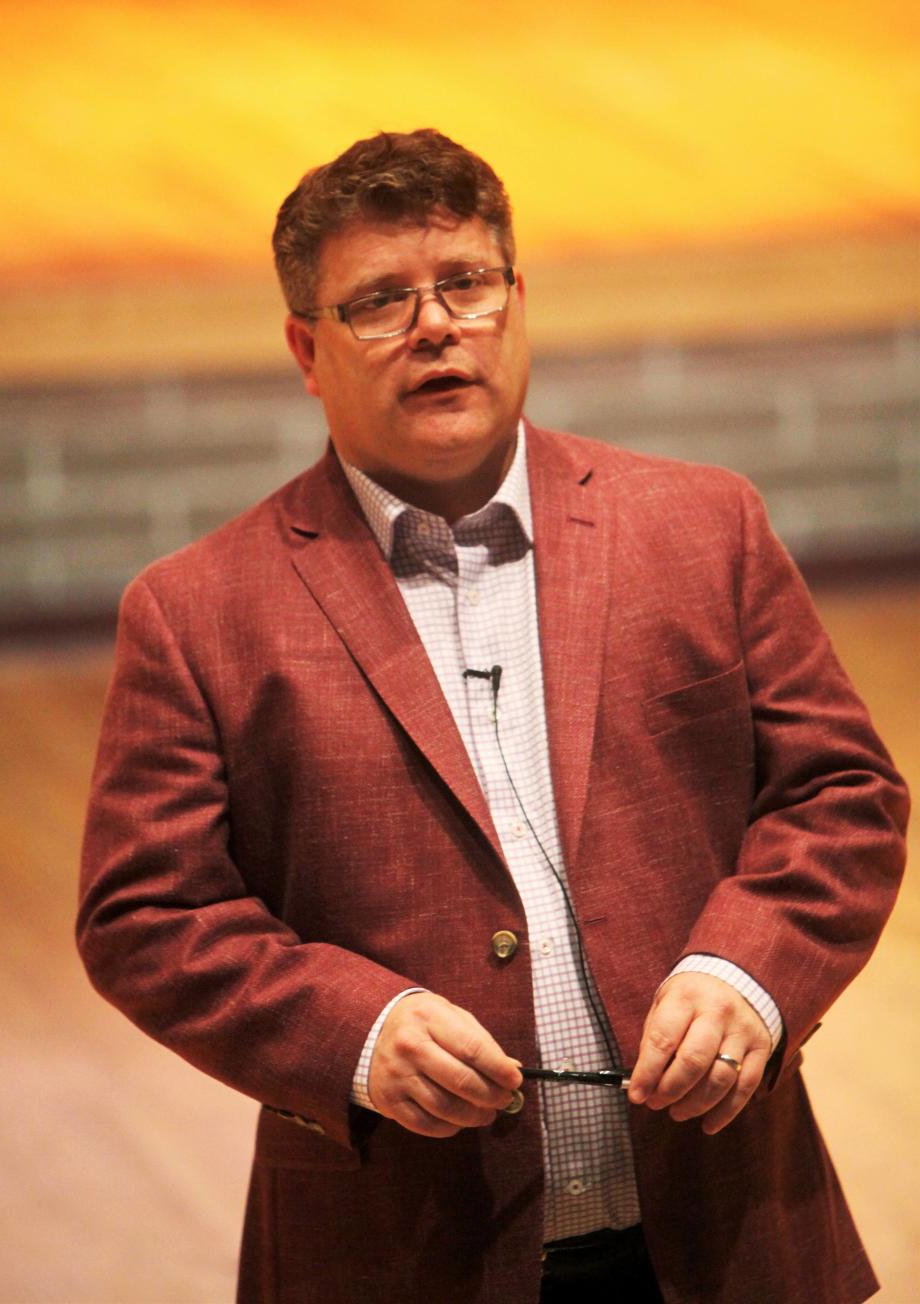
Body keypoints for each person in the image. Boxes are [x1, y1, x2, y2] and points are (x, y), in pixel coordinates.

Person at [77, 129, 908, 1304]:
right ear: (305, 349)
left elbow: (843, 795)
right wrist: (353, 1034)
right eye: (380, 300)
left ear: (517, 301)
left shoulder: (703, 525)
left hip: (728, 1245)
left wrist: (750, 970)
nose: (435, 325)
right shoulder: (196, 610)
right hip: (403, 1260)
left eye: (465, 283)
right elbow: (145, 916)